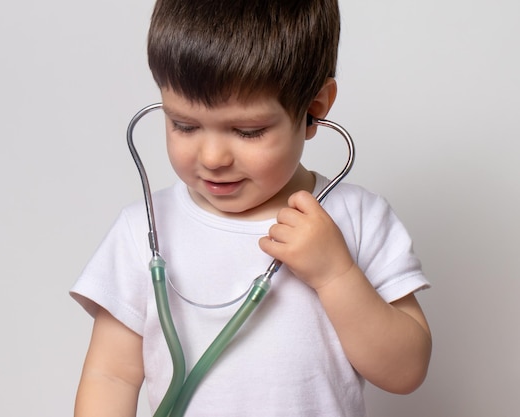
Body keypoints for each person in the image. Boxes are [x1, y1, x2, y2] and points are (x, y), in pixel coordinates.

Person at [70, 0, 432, 416]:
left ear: (314, 110)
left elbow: (405, 371)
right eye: (184, 125)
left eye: (247, 131)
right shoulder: (142, 231)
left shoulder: (359, 218)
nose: (212, 156)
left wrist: (336, 275)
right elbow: (111, 376)